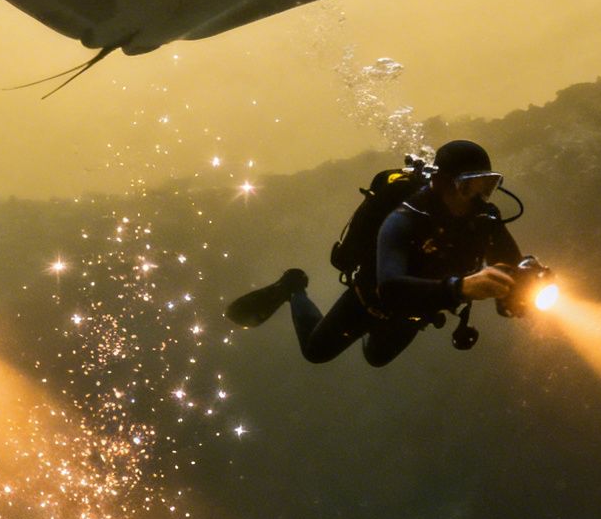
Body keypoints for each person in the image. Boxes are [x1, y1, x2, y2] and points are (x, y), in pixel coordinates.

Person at [225, 139, 531, 367]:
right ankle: (294, 287)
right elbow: (391, 288)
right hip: (368, 302)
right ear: (440, 183)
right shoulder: (404, 218)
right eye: (467, 187)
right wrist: (461, 288)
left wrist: (525, 284)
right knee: (316, 353)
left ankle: (369, 333)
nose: (477, 198)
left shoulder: (484, 220)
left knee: (377, 358)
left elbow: (511, 272)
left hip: (414, 314)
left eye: (487, 186)